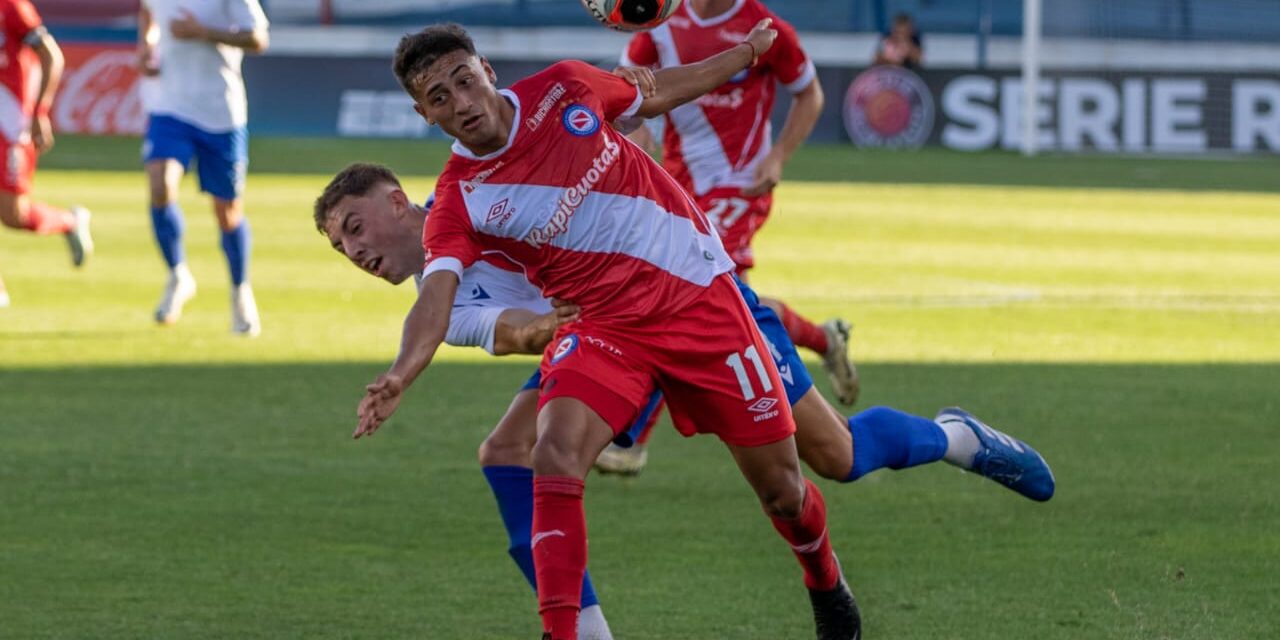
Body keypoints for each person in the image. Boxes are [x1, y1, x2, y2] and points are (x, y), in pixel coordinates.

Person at [317, 161, 1054, 637]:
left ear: (395, 200)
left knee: (832, 460)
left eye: (354, 228)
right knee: (510, 451)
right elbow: (511, 331)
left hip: (695, 303)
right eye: (339, 248)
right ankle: (583, 630)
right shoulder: (436, 300)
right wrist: (543, 327)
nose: (353, 251)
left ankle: (952, 441)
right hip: (603, 338)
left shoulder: (475, 193)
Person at [354, 21, 865, 640]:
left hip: (699, 297)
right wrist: (400, 375)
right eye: (439, 98)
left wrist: (746, 53)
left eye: (464, 81)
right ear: (424, 114)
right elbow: (435, 299)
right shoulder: (460, 200)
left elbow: (656, 93)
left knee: (785, 492)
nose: (460, 103)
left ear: (487, 71)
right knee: (552, 452)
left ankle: (823, 576)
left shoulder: (565, 88)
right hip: (605, 328)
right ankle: (562, 632)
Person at [618, 0, 859, 419]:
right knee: (738, 305)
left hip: (741, 183)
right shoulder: (659, 23)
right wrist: (638, 130)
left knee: (690, 292)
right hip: (680, 185)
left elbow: (810, 94)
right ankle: (823, 341)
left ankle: (634, 437)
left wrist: (778, 156)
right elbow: (625, 90)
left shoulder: (765, 28)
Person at [136, 0, 268, 335]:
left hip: (221, 113)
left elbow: (258, 39)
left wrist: (203, 33)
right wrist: (146, 46)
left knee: (227, 212)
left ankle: (240, 291)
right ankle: (178, 274)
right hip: (169, 106)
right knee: (160, 185)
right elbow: (148, 11)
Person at [1, 0, 94, 305]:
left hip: (12, 124)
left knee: (14, 214)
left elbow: (51, 54)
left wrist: (40, 111)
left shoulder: (12, 7)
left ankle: (69, 221)